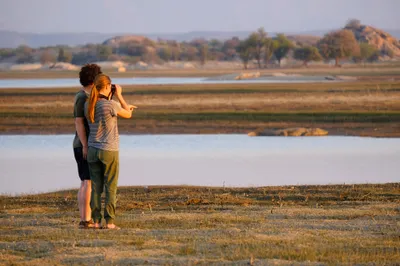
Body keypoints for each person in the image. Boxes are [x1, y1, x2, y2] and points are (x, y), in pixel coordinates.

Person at [85, 74, 136, 229]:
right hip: (109, 150)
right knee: (110, 187)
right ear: (107, 87)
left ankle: (95, 221)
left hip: (93, 149)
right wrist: (119, 95)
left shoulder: (88, 104)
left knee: (96, 187)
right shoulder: (111, 104)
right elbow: (128, 114)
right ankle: (110, 222)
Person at [73, 64, 102, 229]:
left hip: (85, 144)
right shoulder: (82, 97)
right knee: (87, 182)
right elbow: (79, 122)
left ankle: (85, 218)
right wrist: (85, 145)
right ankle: (85, 219)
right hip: (83, 144)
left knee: (85, 182)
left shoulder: (87, 95)